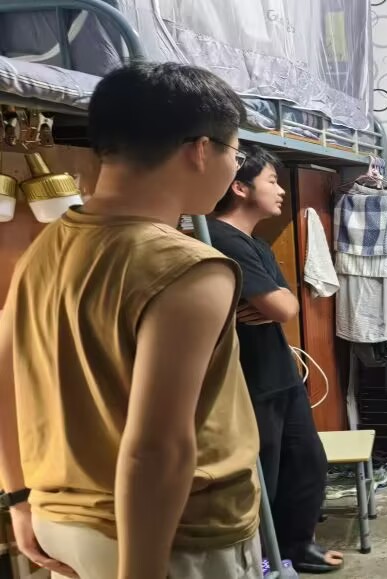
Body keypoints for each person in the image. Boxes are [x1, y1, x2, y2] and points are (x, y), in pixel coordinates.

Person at [0, 62, 262, 579]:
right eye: (235, 153)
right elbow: (157, 449)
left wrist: (20, 498)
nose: (234, 168)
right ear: (200, 149)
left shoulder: (45, 246)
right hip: (168, 537)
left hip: (59, 521)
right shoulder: (190, 268)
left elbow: (4, 377)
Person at [208, 144, 343, 574]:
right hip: (250, 379)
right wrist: (273, 304)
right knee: (262, 474)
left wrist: (272, 303)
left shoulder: (256, 243)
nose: (281, 190)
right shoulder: (219, 238)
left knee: (306, 462)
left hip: (278, 371)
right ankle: (265, 559)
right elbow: (283, 307)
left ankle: (296, 547)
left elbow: (288, 304)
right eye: (272, 181)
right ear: (240, 187)